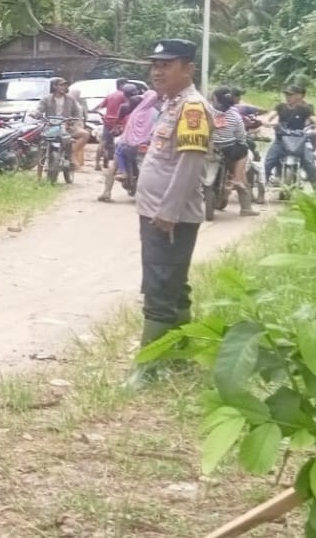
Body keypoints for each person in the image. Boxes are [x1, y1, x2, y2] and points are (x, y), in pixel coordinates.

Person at [130, 39, 213, 385]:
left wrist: (169, 211)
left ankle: (148, 368)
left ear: (188, 69)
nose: (158, 71)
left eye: (167, 64)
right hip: (157, 210)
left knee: (160, 284)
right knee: (174, 284)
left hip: (169, 216)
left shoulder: (192, 108)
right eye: (155, 64)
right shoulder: (170, 105)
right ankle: (179, 356)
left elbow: (190, 163)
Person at [97, 89, 158, 203]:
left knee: (114, 164)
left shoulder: (134, 112)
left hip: (129, 145)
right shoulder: (155, 112)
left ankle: (107, 191)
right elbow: (157, 129)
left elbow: (127, 131)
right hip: (147, 145)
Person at [262, 84, 316, 192]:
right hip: (281, 140)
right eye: (286, 94)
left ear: (299, 96)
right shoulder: (280, 106)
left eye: (290, 94)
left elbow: (315, 120)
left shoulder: (305, 109)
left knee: (310, 164)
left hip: (299, 141)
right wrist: (266, 121)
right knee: (268, 162)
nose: (287, 97)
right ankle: (263, 189)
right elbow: (270, 116)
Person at [210, 87, 259, 217]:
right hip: (229, 150)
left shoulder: (208, 111)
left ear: (214, 98)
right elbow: (241, 136)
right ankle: (245, 205)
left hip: (208, 148)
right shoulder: (235, 115)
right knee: (243, 149)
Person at [36, 78, 89, 171]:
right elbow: (39, 109)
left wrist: (74, 121)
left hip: (67, 126)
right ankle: (39, 175)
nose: (64, 87)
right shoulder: (46, 99)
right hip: (51, 127)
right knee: (44, 147)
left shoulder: (70, 99)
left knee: (85, 134)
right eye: (61, 85)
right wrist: (35, 114)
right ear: (54, 86)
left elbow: (77, 112)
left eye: (65, 85)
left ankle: (72, 153)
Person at [95, 79, 130, 170]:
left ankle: (97, 164)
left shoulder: (110, 95)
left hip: (108, 122)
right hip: (120, 123)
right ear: (122, 85)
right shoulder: (125, 96)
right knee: (122, 143)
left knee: (103, 142)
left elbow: (98, 107)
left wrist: (102, 115)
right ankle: (120, 166)